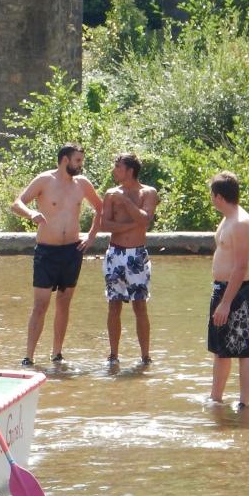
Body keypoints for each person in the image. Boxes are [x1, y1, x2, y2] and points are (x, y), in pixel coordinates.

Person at [10, 143, 102, 366]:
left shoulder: (82, 183)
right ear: (65, 160)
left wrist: (91, 236)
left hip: (72, 250)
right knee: (40, 304)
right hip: (47, 251)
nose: (81, 165)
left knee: (64, 302)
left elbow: (100, 208)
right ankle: (29, 356)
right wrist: (31, 213)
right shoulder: (45, 180)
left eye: (81, 161)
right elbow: (17, 203)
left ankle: (57, 353)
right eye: (78, 161)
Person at [99, 153, 158, 364]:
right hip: (115, 254)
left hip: (137, 254)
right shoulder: (110, 194)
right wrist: (131, 226)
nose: (114, 171)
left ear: (130, 170)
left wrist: (125, 201)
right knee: (114, 304)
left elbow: (145, 219)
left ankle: (145, 356)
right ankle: (113, 355)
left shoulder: (148, 193)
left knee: (139, 305)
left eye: (118, 167)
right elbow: (104, 224)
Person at [208, 170, 249, 408]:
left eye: (211, 194)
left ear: (219, 197)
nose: (210, 198)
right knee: (221, 348)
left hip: (237, 293)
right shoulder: (227, 218)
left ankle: (244, 404)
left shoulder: (241, 223)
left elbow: (241, 266)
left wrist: (226, 303)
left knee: (243, 348)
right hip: (222, 289)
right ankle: (215, 398)